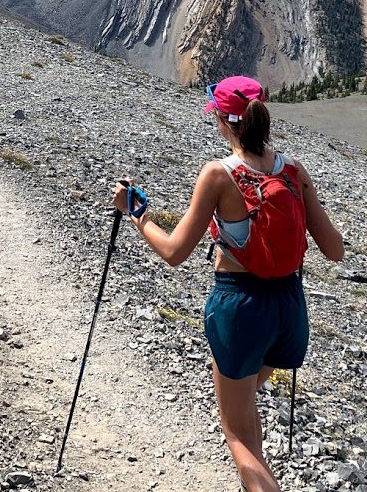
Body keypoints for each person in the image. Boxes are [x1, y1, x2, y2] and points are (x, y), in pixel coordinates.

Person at [111, 75, 344, 492]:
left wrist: (137, 215)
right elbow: (335, 249)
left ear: (221, 120)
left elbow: (174, 252)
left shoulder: (219, 175)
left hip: (239, 308)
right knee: (245, 403)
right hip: (289, 309)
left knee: (237, 437)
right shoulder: (293, 170)